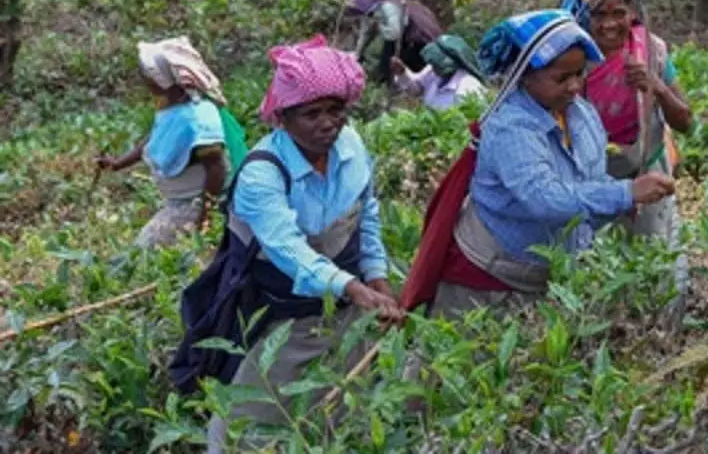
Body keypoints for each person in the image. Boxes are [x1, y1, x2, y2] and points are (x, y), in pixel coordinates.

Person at [399, 10, 675, 320]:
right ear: (525, 76)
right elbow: (544, 199)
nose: (574, 86)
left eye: (579, 73)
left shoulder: (581, 115)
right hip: (487, 278)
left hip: (541, 276)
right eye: (561, 78)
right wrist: (625, 193)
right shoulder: (511, 127)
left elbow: (588, 182)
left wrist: (620, 201)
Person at [204, 36, 400, 452]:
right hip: (279, 315)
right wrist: (352, 287)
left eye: (335, 111)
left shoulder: (350, 147)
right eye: (311, 114)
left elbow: (367, 215)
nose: (327, 123)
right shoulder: (262, 174)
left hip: (346, 312)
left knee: (343, 411)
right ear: (283, 118)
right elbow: (288, 250)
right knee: (248, 420)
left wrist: (378, 280)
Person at [561, 0, 692, 241]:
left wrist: (656, 86)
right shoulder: (572, 58)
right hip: (588, 179)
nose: (609, 24)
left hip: (646, 170)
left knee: (651, 256)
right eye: (599, 15)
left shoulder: (650, 51)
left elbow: (685, 122)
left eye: (618, 14)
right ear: (584, 17)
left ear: (632, 15)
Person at [96, 37, 242, 248]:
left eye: (147, 74)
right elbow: (155, 137)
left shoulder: (197, 121)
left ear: (161, 80)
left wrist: (206, 213)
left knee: (142, 252)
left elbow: (217, 167)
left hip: (193, 204)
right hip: (177, 201)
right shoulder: (171, 108)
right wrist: (118, 163)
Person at [347, 0, 442, 83]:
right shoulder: (368, 10)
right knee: (387, 61)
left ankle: (391, 86)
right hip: (403, 32)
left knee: (395, 64)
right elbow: (366, 32)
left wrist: (379, 25)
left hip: (420, 37)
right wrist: (357, 54)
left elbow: (394, 33)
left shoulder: (388, 6)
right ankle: (384, 81)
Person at [392, 34, 488, 111]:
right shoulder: (433, 72)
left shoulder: (467, 87)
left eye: (436, 66)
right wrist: (402, 72)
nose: (432, 69)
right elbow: (415, 88)